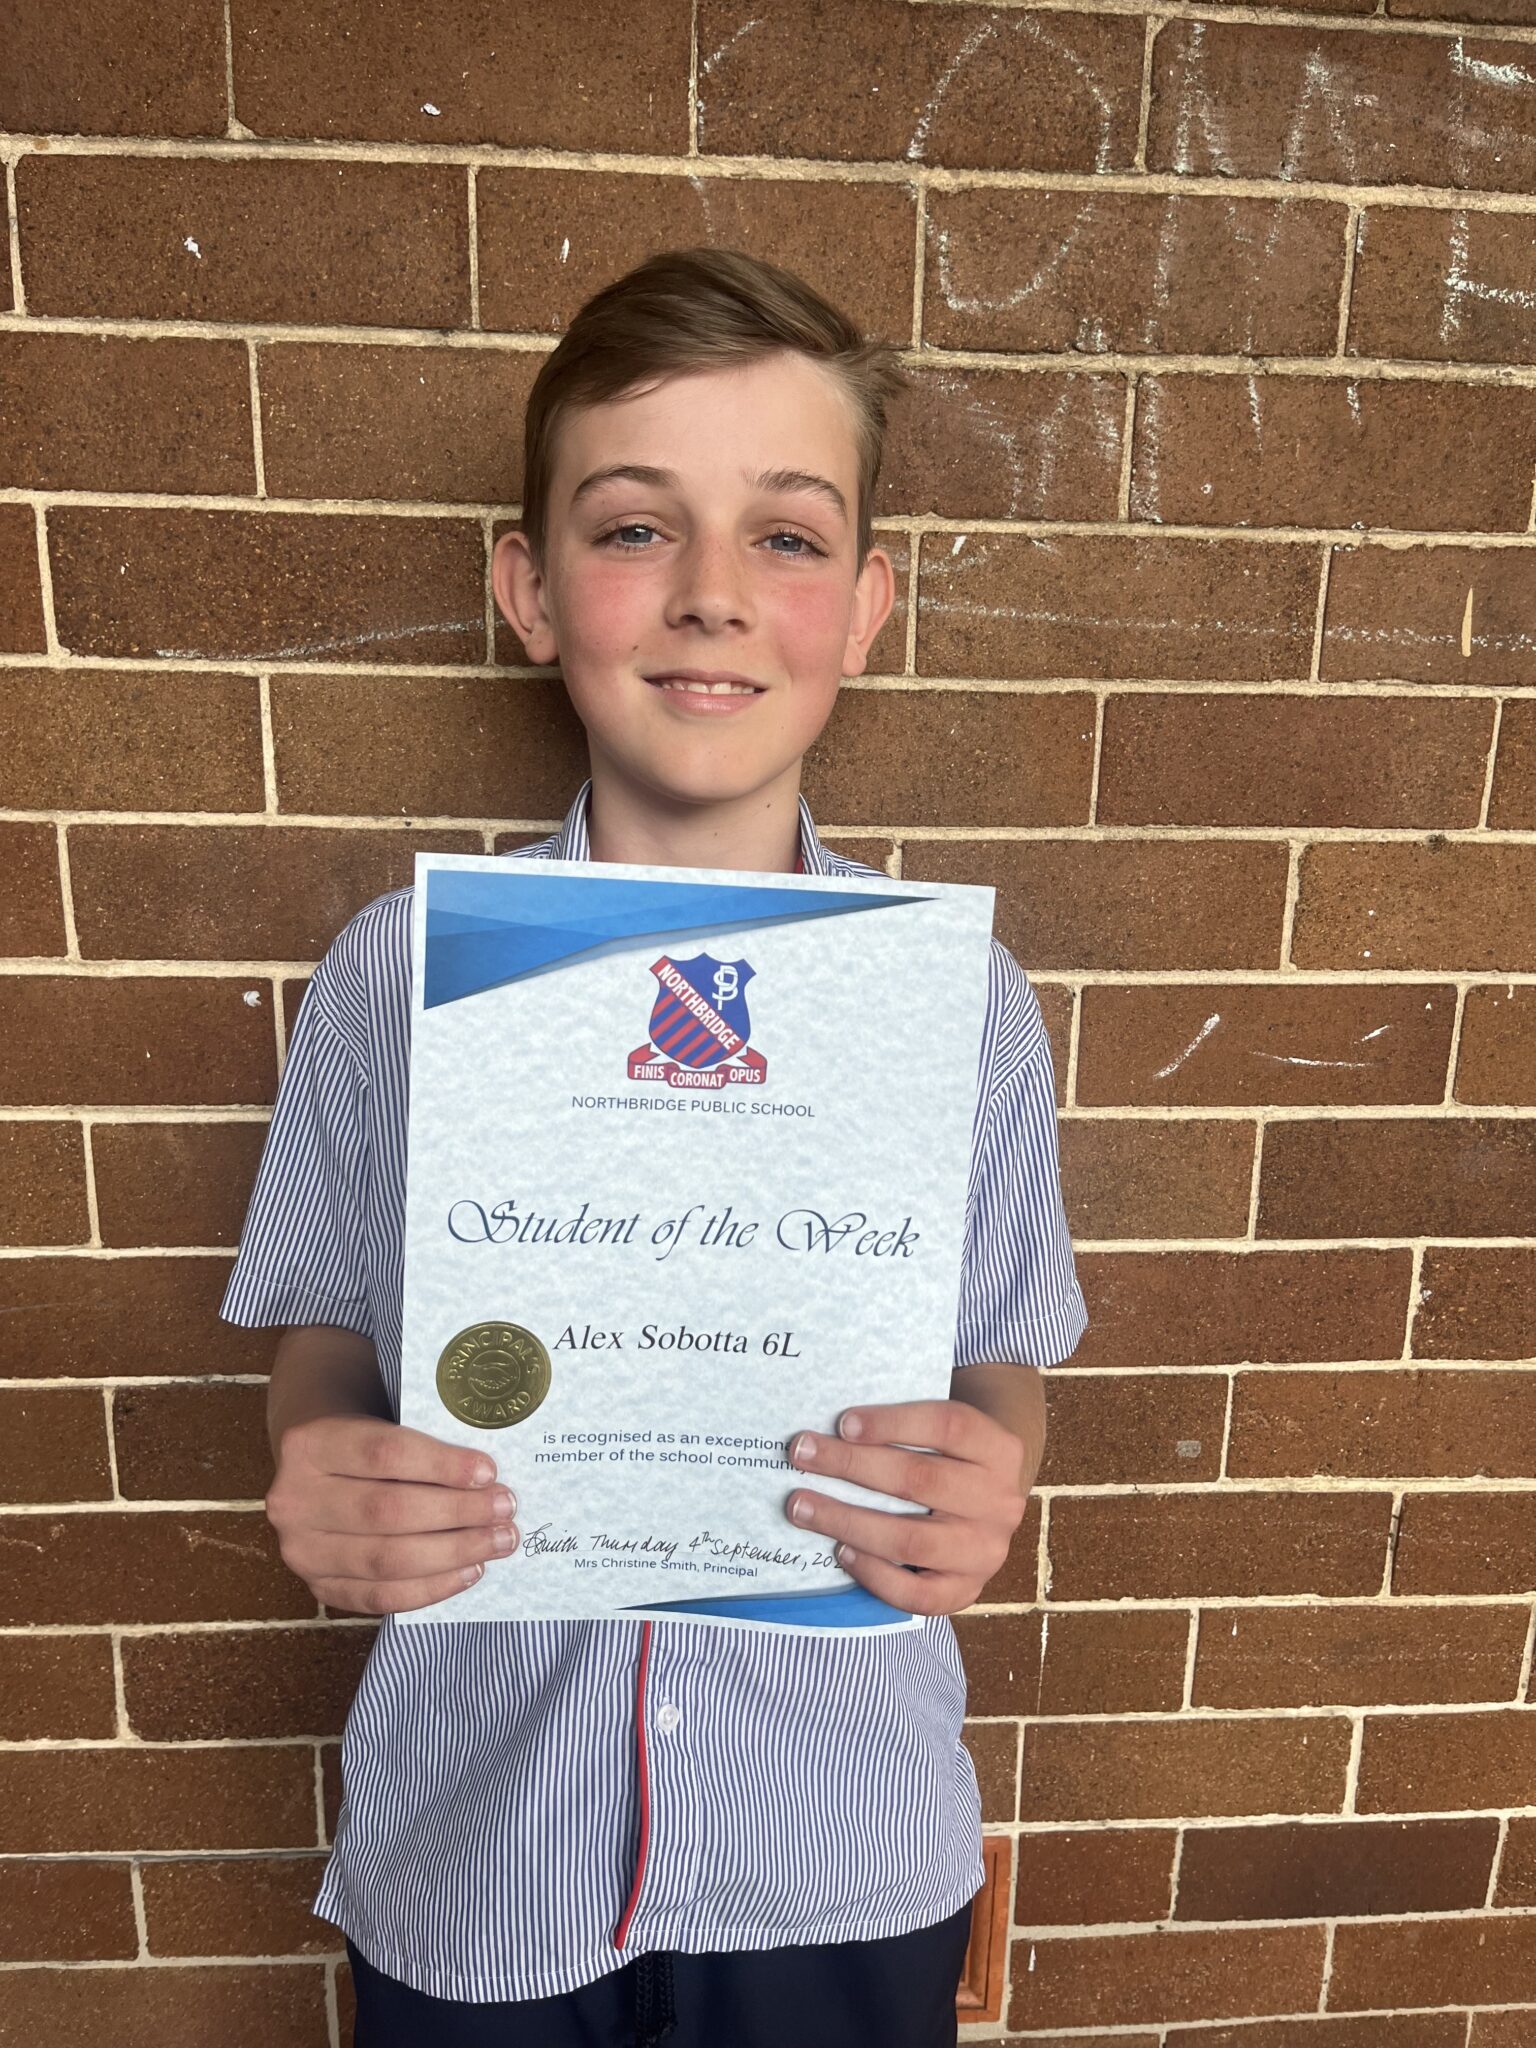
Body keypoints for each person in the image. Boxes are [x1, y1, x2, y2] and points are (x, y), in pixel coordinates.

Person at [222, 247, 1088, 2048]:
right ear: (531, 591)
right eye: (634, 529)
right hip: (485, 1841)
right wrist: (316, 1457)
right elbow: (325, 1329)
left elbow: (1001, 1353)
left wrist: (987, 1472)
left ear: (867, 606)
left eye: (786, 536)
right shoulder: (398, 975)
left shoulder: (960, 1003)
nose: (711, 596)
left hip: (836, 1843)